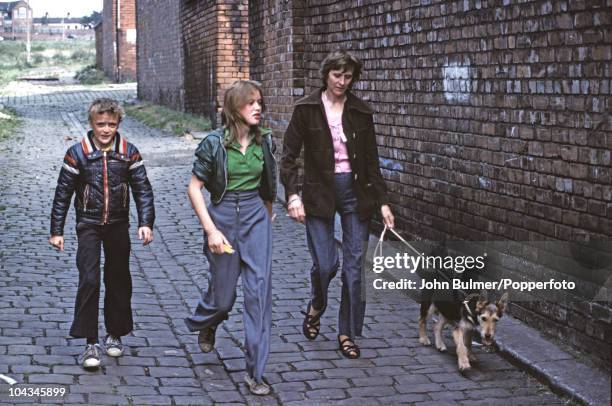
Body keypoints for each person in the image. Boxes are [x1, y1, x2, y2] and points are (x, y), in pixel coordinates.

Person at [280, 50, 395, 359]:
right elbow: (288, 157)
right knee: (326, 264)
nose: (342, 82)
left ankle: (346, 333)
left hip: (356, 193)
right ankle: (317, 303)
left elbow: (371, 163)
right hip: (319, 193)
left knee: (354, 269)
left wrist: (383, 202)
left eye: (347, 77)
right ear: (326, 74)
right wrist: (292, 194)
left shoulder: (361, 112)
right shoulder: (306, 110)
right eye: (336, 75)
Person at [184, 80, 276, 396]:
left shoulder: (265, 142)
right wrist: (211, 230)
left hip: (255, 216)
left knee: (259, 293)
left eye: (260, 102)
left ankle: (256, 372)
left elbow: (268, 184)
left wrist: (267, 213)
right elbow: (194, 188)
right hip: (222, 217)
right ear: (234, 108)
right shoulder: (213, 144)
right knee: (224, 298)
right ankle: (208, 320)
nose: (258, 107)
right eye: (251, 102)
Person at [50, 98, 155, 369]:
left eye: (111, 124)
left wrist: (146, 222)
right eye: (100, 124)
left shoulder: (128, 152)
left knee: (118, 279)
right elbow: (63, 193)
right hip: (88, 224)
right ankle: (90, 343)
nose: (106, 129)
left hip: (118, 225)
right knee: (90, 279)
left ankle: (115, 334)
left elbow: (143, 189)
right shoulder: (78, 153)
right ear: (91, 124)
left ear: (118, 123)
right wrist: (56, 230)